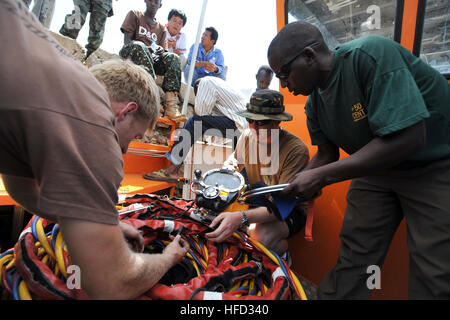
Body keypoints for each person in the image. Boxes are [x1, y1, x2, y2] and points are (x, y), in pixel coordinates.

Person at [0, 0, 187, 299]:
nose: (124, 150)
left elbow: (21, 186)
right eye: (133, 137)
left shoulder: (61, 78)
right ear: (126, 111)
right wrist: (168, 259)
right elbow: (112, 284)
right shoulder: (96, 124)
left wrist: (108, 224)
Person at [268, 21, 450, 299]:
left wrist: (320, 177)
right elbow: (327, 154)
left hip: (434, 165)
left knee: (435, 267)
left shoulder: (369, 55)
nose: (283, 84)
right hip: (376, 169)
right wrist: (293, 185)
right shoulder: (314, 104)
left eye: (284, 73)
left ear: (308, 56)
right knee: (356, 254)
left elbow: (409, 137)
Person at [205, 90, 310, 258]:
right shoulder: (247, 136)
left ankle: (281, 256)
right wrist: (229, 167)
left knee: (259, 236)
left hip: (287, 210)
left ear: (277, 121)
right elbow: (235, 161)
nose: (254, 127)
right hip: (257, 200)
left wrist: (241, 218)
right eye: (250, 120)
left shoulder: (295, 150)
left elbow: (280, 207)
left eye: (261, 122)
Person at [153, 76, 249, 179]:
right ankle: (248, 189)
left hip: (239, 123)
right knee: (240, 162)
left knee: (194, 122)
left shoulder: (205, 82)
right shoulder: (221, 89)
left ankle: (172, 169)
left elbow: (201, 113)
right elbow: (212, 121)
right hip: (244, 126)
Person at [119, 0, 186, 123]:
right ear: (145, 1)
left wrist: (160, 50)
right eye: (151, 0)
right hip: (132, 54)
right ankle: (151, 96)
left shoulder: (161, 29)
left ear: (160, 5)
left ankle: (171, 106)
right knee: (140, 46)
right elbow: (127, 42)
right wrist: (146, 48)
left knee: (173, 57)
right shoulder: (135, 14)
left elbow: (164, 54)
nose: (153, 3)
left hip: (152, 61)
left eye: (157, 2)